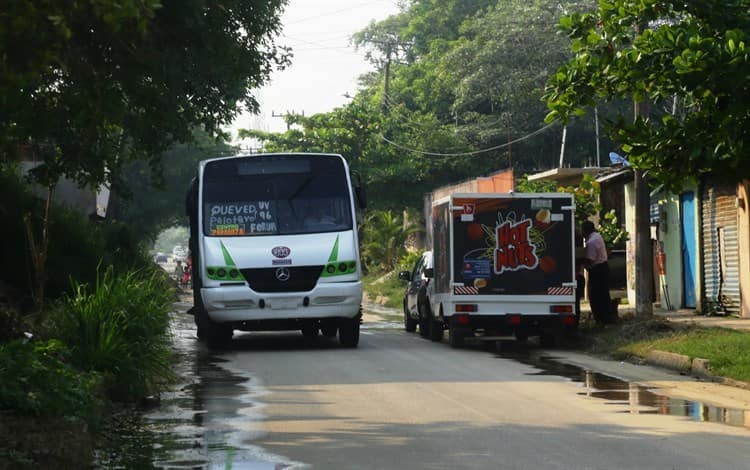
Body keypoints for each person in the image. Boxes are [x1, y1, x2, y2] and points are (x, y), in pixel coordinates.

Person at [581, 220, 612, 325]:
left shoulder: (591, 243)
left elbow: (590, 260)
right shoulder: (597, 236)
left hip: (597, 270)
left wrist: (580, 262)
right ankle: (606, 318)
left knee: (595, 296)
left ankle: (600, 319)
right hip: (603, 268)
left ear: (585, 231)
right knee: (604, 295)